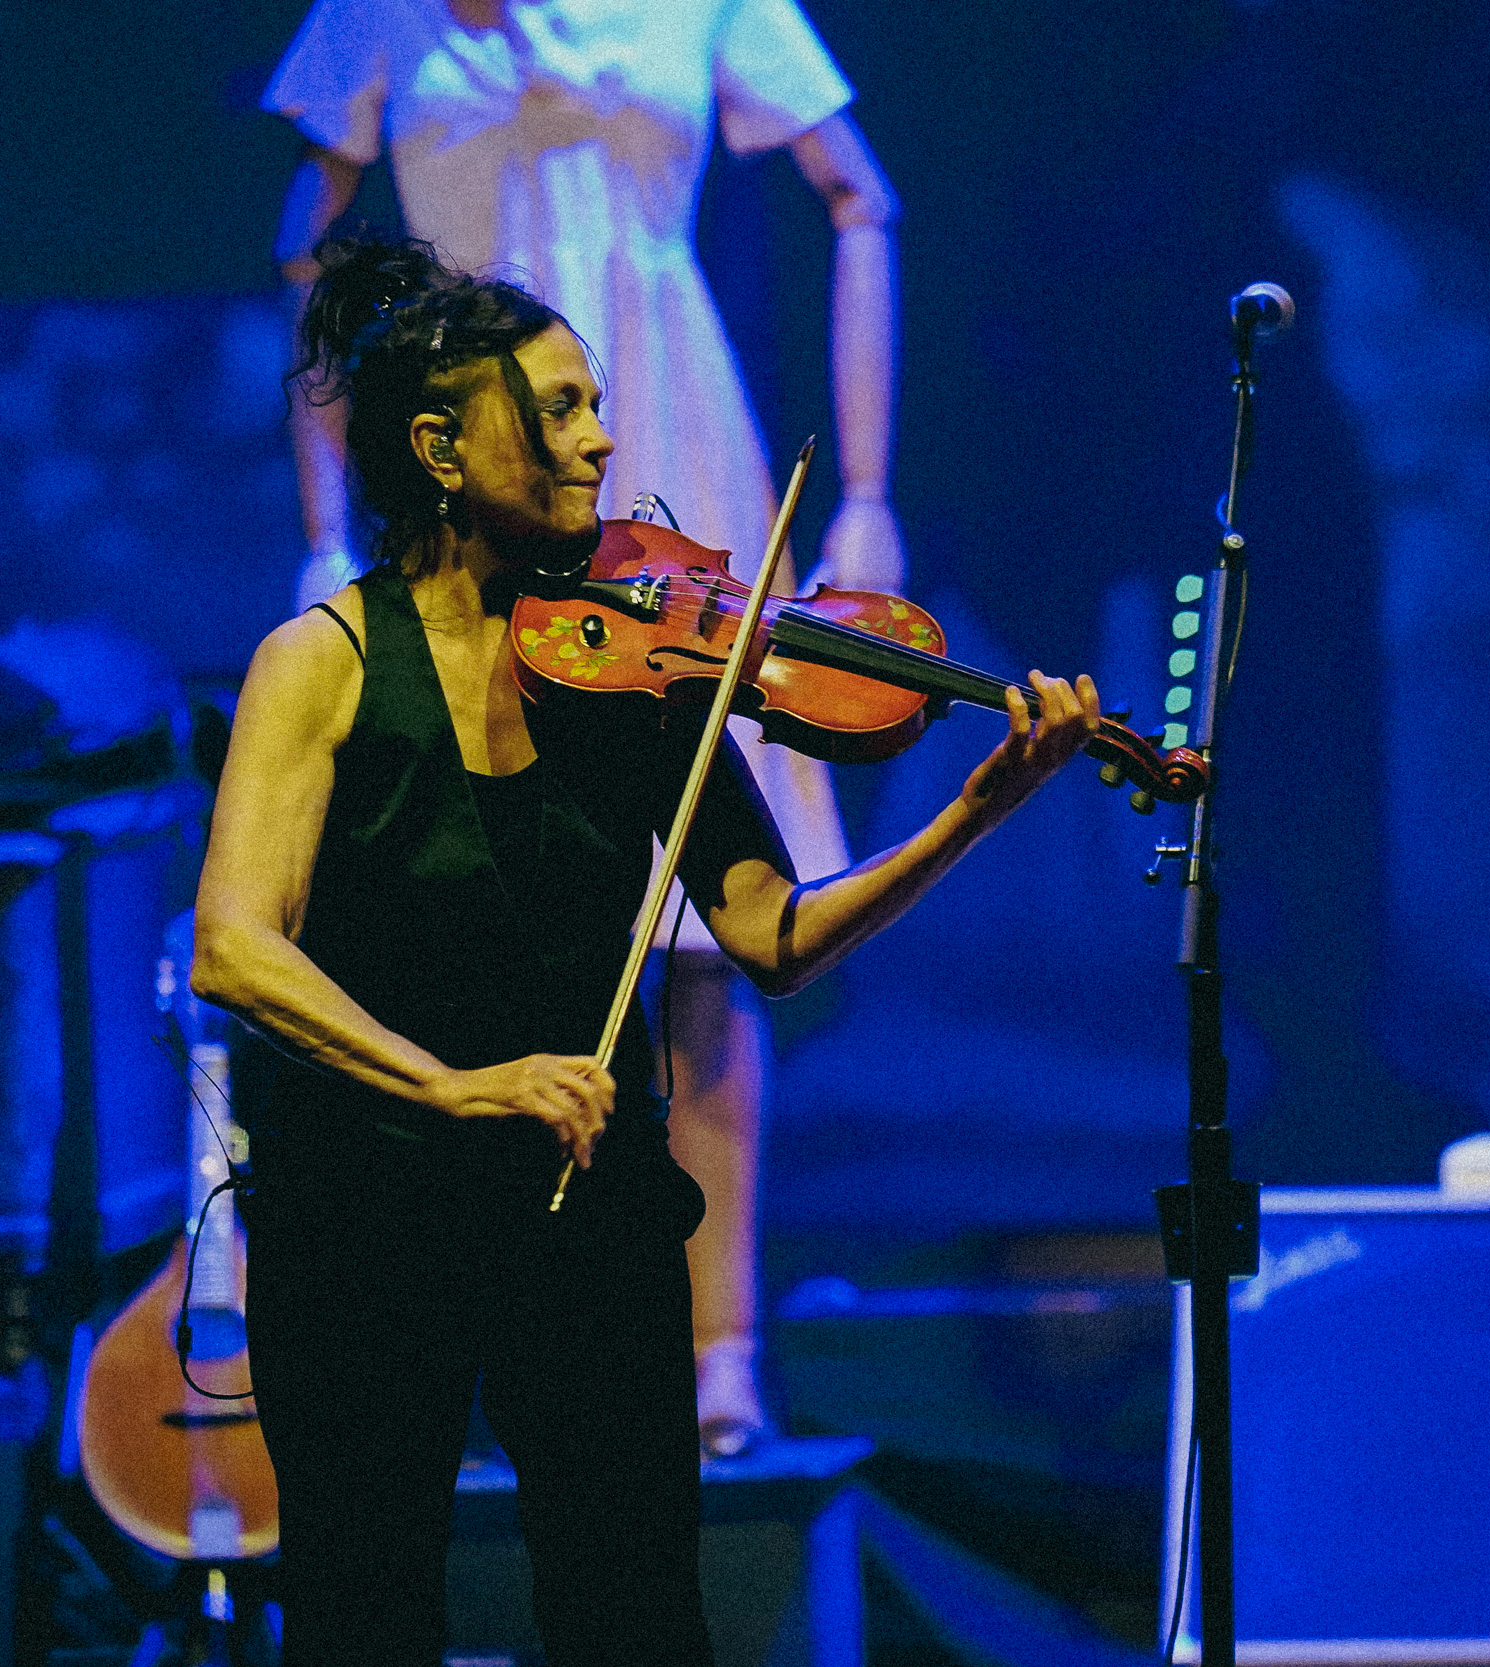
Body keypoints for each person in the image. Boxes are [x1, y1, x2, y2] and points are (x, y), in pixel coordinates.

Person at [190, 235, 1096, 1662]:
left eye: (597, 403)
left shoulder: (637, 665)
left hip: (584, 1202)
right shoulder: (323, 661)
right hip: (365, 1218)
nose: (601, 438)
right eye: (555, 408)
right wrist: (452, 1086)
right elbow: (235, 951)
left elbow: (775, 939)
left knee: (633, 1619)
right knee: (365, 1619)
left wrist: (972, 815)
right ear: (439, 443)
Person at [263, 0, 904, 1453]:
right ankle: (482, 1344)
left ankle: (719, 1342)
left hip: (660, 424)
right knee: (461, 901)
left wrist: (865, 488)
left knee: (701, 933)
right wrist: (318, 524)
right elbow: (309, 249)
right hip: (461, 453)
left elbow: (862, 193)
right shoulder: (383, 15)